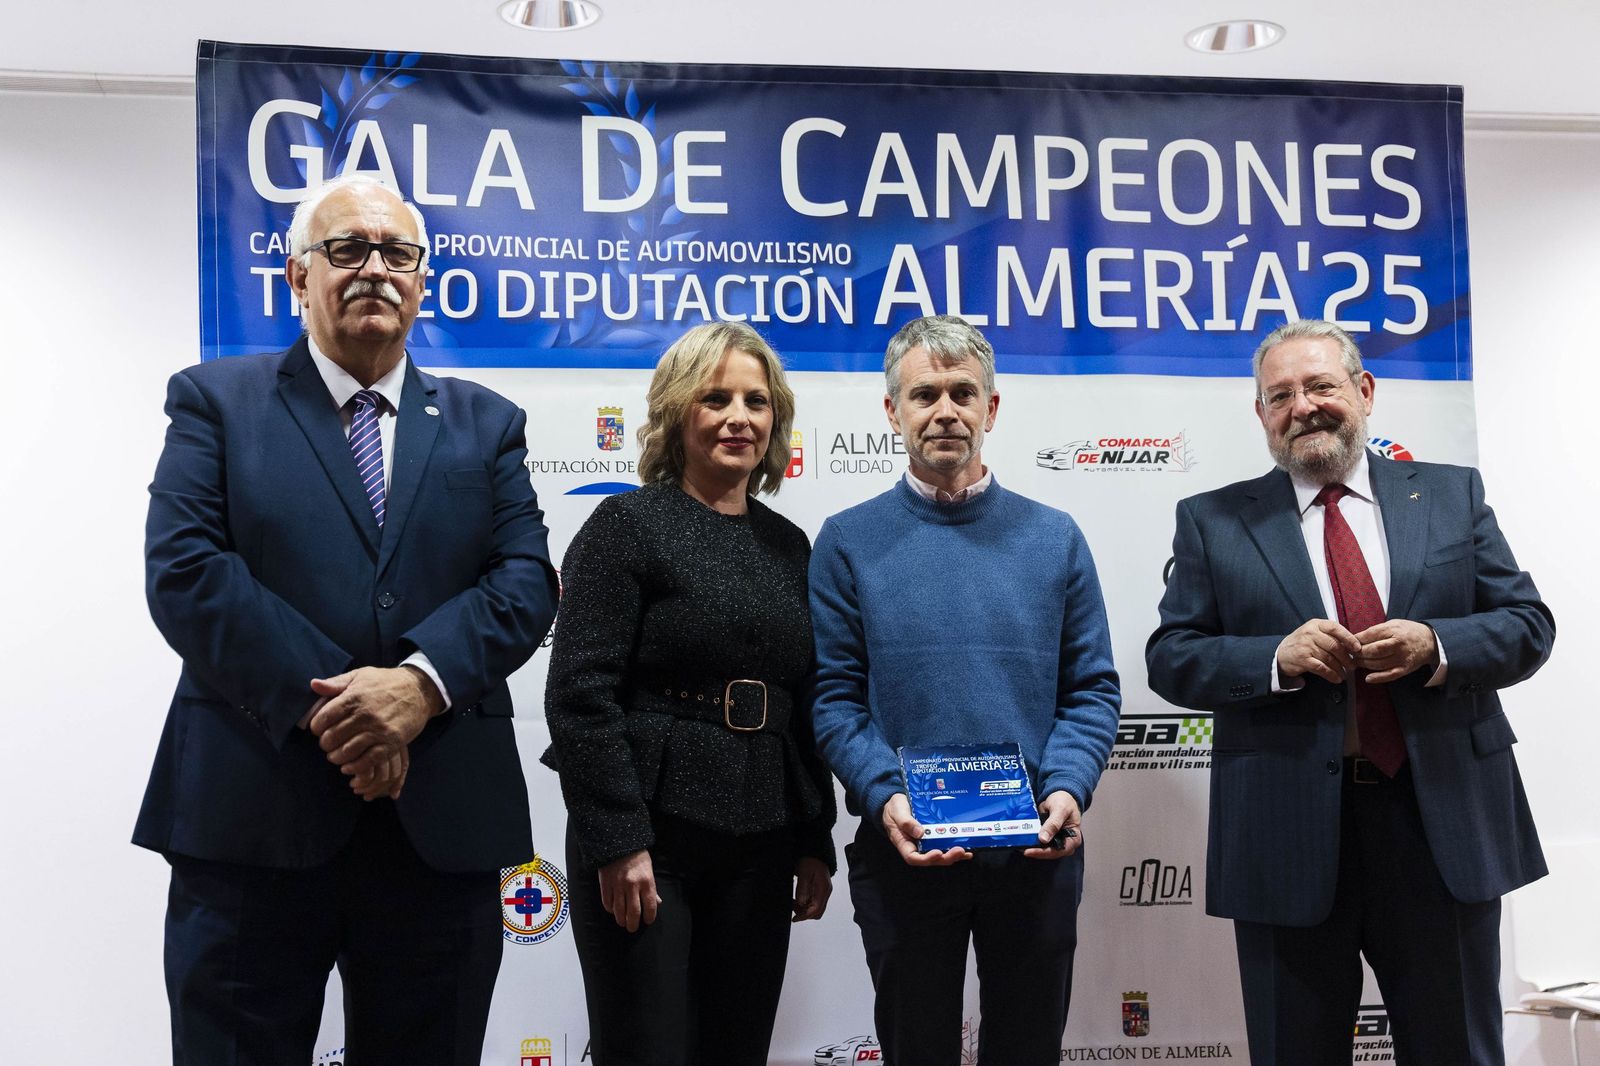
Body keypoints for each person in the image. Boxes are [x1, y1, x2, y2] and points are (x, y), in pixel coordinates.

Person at [134, 174, 560, 1066]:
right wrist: (346, 709)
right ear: (297, 276)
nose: (374, 268)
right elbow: (186, 572)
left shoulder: (490, 425)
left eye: (396, 252)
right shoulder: (214, 402)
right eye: (346, 249)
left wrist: (416, 685)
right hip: (254, 814)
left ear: (422, 278)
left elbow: (524, 582)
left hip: (438, 826)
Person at [1146, 319, 1554, 1065]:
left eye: (1321, 386)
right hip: (1285, 834)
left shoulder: (1452, 495)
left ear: (1363, 392)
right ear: (1262, 414)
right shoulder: (1213, 521)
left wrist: (1437, 645)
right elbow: (1172, 660)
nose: (1304, 406)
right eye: (1281, 395)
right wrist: (1275, 655)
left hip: (1440, 829)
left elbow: (1528, 626)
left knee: (1457, 1049)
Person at [808, 314, 1121, 1066]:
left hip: (1035, 855)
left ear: (991, 408)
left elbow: (1092, 690)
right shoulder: (847, 540)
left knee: (1027, 1051)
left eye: (961, 393)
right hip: (904, 849)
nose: (944, 411)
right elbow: (834, 699)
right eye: (923, 395)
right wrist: (889, 797)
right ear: (893, 412)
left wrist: (1069, 788)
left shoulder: (1056, 536)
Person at [542, 322, 836, 1066]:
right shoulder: (625, 526)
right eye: (716, 398)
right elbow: (580, 693)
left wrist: (812, 839)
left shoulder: (789, 545)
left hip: (762, 841)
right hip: (649, 843)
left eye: (756, 401)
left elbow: (800, 701)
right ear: (679, 412)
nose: (740, 417)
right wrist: (618, 841)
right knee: (648, 1051)